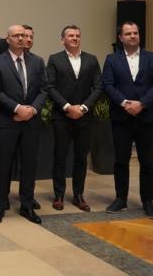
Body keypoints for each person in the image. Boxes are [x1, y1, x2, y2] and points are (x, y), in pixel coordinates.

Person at [0, 24, 47, 224]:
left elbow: (44, 89)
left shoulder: (37, 62)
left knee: (29, 165)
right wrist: (17, 108)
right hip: (6, 121)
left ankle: (27, 205)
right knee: (3, 165)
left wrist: (32, 110)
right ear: (8, 39)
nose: (21, 38)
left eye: (23, 35)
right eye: (16, 35)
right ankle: (0, 204)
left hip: (30, 122)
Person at [47, 25, 102, 212]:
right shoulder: (54, 59)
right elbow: (50, 87)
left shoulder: (91, 60)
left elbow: (98, 87)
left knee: (81, 158)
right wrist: (67, 107)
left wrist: (84, 107)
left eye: (77, 35)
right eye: (70, 35)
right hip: (62, 117)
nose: (75, 38)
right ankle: (59, 195)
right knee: (60, 157)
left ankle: (79, 195)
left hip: (84, 117)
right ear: (62, 39)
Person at [102, 21, 153, 218]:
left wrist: (142, 104)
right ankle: (120, 199)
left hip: (146, 116)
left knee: (148, 161)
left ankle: (147, 200)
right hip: (121, 117)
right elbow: (107, 84)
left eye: (135, 33)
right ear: (120, 38)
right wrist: (125, 103)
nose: (133, 36)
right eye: (128, 33)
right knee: (121, 160)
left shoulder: (150, 58)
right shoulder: (112, 59)